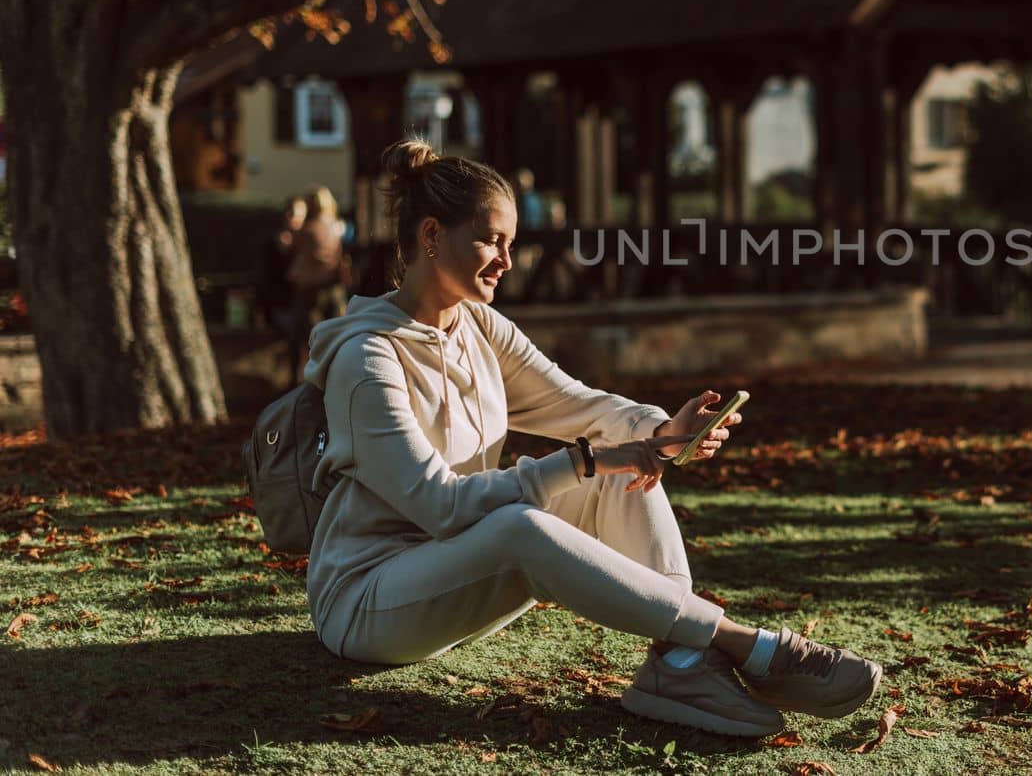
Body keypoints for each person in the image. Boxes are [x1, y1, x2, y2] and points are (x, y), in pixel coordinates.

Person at [299, 137, 880, 737]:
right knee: (524, 520)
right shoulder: (366, 361)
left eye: (511, 244)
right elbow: (441, 506)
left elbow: (576, 405)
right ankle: (743, 643)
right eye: (490, 240)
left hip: (455, 574)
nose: (507, 259)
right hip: (368, 603)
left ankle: (678, 663)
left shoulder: (478, 327)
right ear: (430, 236)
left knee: (620, 473)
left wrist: (660, 433)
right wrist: (585, 461)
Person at [287, 186, 348, 384]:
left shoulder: (308, 230)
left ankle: (301, 383)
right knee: (333, 341)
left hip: (309, 290)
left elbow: (292, 250)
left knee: (304, 340)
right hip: (333, 288)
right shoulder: (338, 226)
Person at [257, 195, 306, 338]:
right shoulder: (273, 243)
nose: (294, 218)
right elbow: (266, 276)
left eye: (299, 213)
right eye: (291, 213)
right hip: (283, 303)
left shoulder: (308, 243)